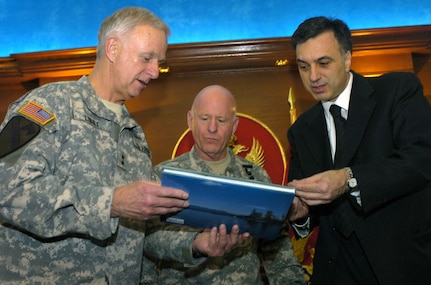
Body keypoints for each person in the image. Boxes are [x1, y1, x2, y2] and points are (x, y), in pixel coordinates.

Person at [0, 7, 248, 284]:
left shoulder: (135, 137)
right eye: (147, 58)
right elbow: (7, 189)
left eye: (159, 62)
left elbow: (143, 233)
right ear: (113, 48)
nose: (155, 72)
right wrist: (111, 202)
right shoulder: (43, 106)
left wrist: (194, 245)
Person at [286, 16, 431, 285]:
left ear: (347, 58)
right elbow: (308, 207)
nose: (313, 76)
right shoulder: (301, 130)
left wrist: (349, 179)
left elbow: (421, 159)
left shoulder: (396, 91)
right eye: (304, 66)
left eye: (323, 63)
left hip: (400, 264)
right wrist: (301, 213)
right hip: (335, 271)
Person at [151, 85, 305, 284]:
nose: (212, 128)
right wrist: (194, 244)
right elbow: (148, 239)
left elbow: (276, 247)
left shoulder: (256, 178)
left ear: (234, 126)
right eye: (205, 118)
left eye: (221, 120)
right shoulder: (163, 176)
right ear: (190, 120)